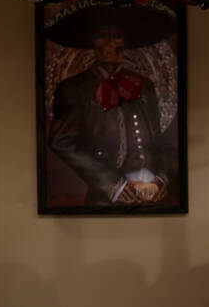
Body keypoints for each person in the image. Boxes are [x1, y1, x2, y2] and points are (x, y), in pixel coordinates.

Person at [47, 22, 174, 206]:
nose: (110, 43)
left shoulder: (144, 85)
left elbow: (160, 140)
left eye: (116, 36)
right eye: (102, 35)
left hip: (155, 195)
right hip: (107, 199)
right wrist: (113, 185)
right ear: (92, 44)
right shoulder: (73, 88)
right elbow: (62, 141)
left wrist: (161, 179)